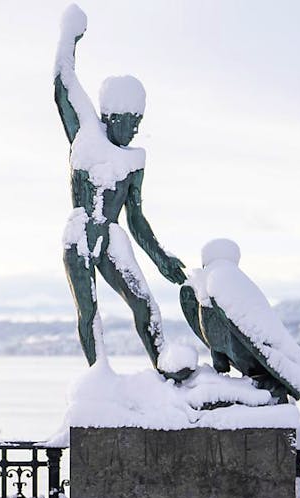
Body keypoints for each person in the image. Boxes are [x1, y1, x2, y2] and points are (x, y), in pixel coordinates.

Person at [53, 5, 194, 379]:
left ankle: (165, 367)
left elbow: (136, 218)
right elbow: (62, 85)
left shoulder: (135, 162)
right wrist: (70, 38)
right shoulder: (85, 133)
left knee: (144, 303)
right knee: (89, 311)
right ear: (110, 116)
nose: (131, 132)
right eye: (127, 123)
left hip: (111, 234)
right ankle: (99, 377)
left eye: (137, 124)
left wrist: (161, 257)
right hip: (81, 232)